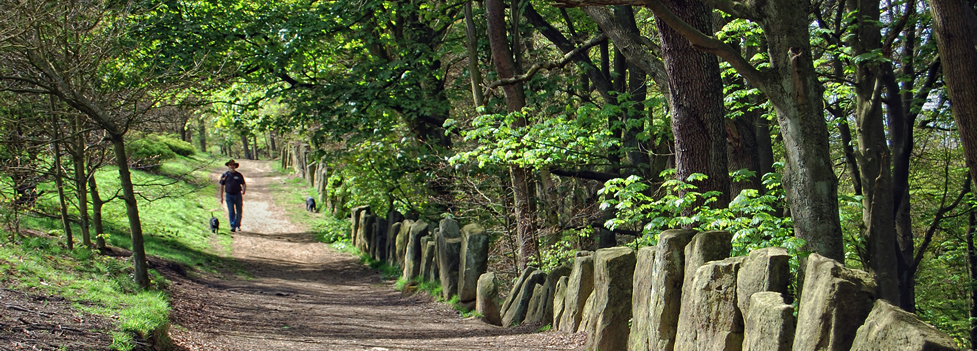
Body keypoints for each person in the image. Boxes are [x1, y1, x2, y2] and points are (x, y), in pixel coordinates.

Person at [219, 159, 247, 232]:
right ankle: (232, 225)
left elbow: (243, 183)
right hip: (229, 195)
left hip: (238, 195)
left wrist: (244, 190)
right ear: (228, 166)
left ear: (235, 166)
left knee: (239, 211)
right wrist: (221, 197)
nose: (232, 166)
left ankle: (237, 225)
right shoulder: (225, 175)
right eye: (230, 165)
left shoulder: (239, 175)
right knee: (231, 211)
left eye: (233, 165)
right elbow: (222, 186)